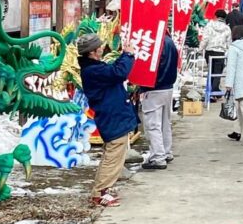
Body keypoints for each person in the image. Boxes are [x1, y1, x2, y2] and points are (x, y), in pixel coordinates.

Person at [76, 32, 138, 208]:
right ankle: (100, 193)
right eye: (100, 46)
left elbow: (113, 71)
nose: (103, 48)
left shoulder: (95, 67)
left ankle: (102, 188)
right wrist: (127, 54)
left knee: (112, 154)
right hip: (112, 117)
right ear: (93, 51)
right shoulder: (93, 70)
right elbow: (119, 73)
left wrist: (123, 56)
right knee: (113, 155)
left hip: (113, 115)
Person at [140, 32, 178, 170]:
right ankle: (166, 152)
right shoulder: (169, 41)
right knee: (164, 123)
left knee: (153, 124)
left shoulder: (153, 42)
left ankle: (158, 156)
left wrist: (142, 86)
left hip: (153, 87)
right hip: (167, 87)